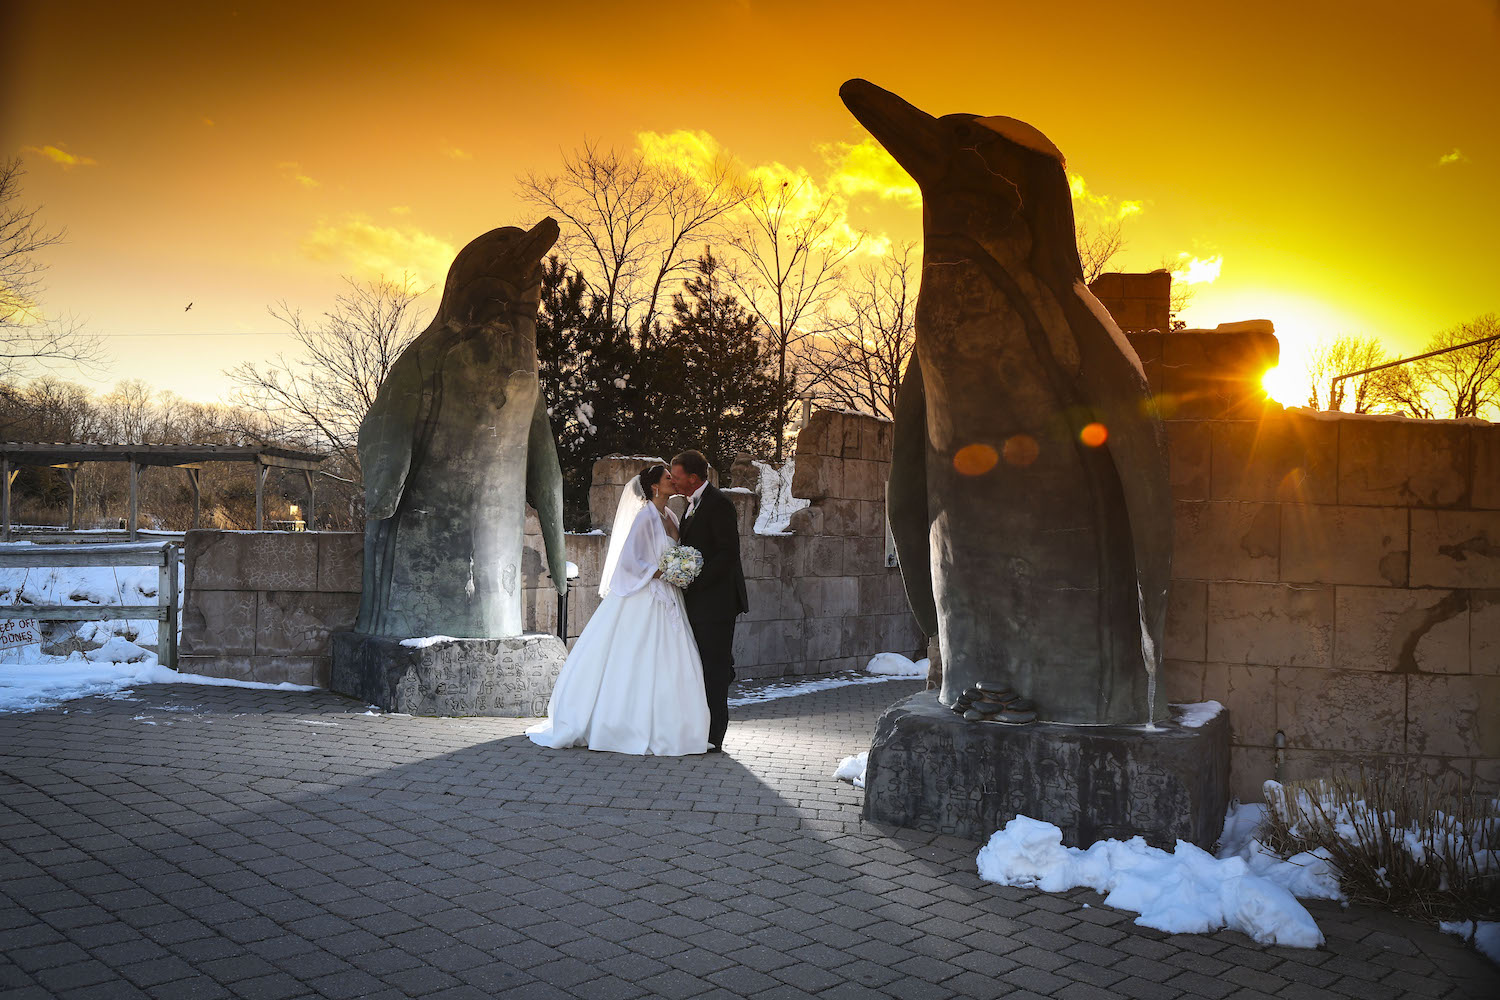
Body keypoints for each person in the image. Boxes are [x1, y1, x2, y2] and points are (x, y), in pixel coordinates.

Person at [526, 464, 710, 756]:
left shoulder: (671, 515)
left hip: (670, 596)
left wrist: (680, 570)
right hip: (648, 594)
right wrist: (665, 572)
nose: (673, 481)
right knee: (637, 657)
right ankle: (623, 724)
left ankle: (674, 726)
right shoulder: (644, 517)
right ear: (654, 487)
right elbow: (631, 561)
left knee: (672, 659)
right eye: (667, 478)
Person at [669, 450, 748, 752]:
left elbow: (728, 554)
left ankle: (715, 736)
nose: (674, 482)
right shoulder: (691, 505)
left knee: (714, 668)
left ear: (693, 477)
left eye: (677, 477)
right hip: (700, 601)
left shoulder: (719, 504)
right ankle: (700, 728)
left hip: (717, 603)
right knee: (704, 665)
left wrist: (693, 580)